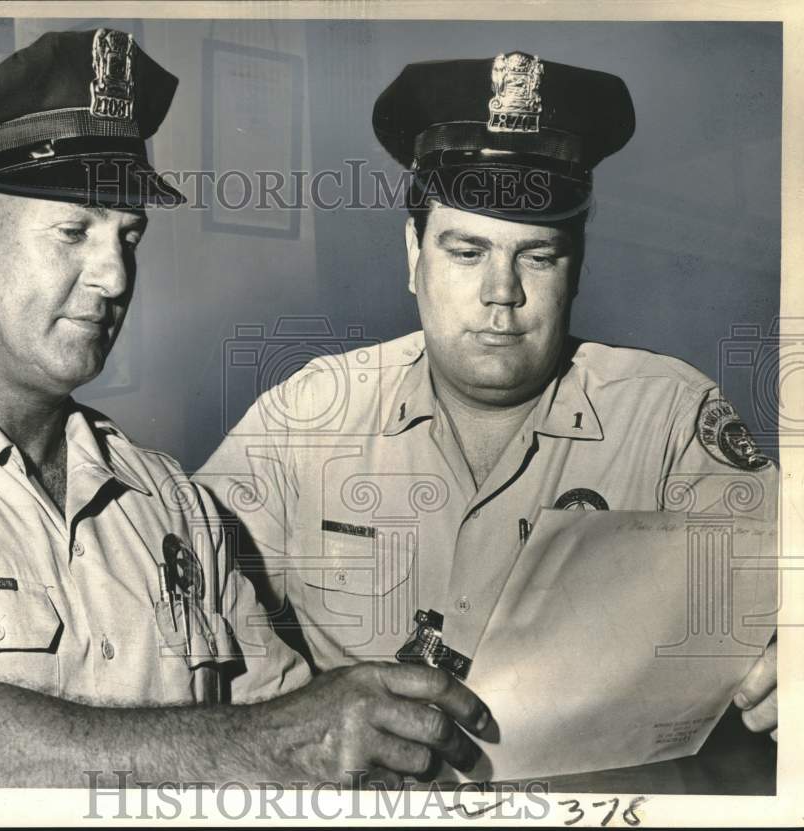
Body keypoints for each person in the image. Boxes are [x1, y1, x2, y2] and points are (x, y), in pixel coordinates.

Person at [0, 29, 491, 788]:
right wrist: (280, 738)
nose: (112, 275)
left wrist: (382, 736)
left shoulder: (169, 501)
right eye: (73, 231)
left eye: (127, 235)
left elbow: (295, 735)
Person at [195, 52, 778, 747]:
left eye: (537, 256)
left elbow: (780, 586)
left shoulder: (668, 419)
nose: (502, 293)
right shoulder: (309, 414)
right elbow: (179, 583)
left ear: (579, 267)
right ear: (413, 255)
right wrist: (285, 722)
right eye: (467, 252)